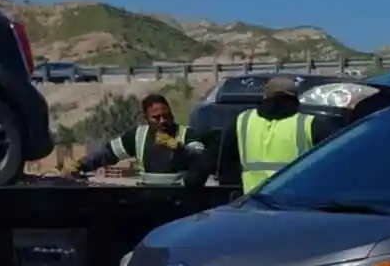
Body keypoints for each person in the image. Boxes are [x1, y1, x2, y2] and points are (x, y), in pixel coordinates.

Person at [231, 75, 341, 193]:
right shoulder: (310, 124)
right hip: (294, 203)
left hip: (253, 201)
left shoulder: (243, 120)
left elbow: (223, 159)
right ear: (295, 98)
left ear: (265, 96)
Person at [74, 93, 209, 185]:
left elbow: (201, 159)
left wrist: (179, 148)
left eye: (166, 116)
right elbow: (108, 153)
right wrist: (80, 165)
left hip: (179, 197)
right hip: (147, 197)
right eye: (156, 118)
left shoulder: (186, 134)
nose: (163, 121)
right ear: (146, 119)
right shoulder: (138, 135)